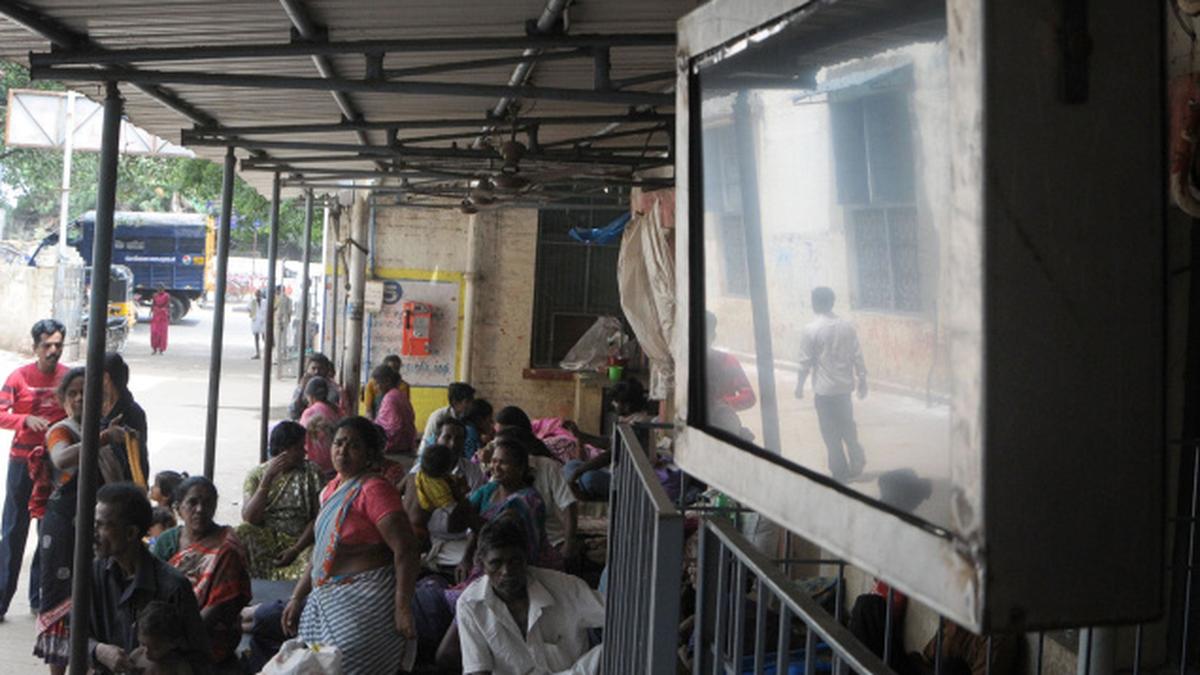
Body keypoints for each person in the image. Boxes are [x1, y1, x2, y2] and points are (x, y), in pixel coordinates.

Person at [281, 416, 421, 674]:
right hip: (328, 597)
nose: (342, 450)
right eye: (338, 443)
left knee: (341, 661)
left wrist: (402, 607)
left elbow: (407, 549)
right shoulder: (332, 488)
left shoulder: (374, 490)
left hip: (367, 598)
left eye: (353, 445)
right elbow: (322, 551)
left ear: (369, 454)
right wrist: (297, 596)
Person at [34, 367, 132, 673]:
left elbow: (117, 483)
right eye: (73, 393)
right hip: (63, 528)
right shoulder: (61, 431)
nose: (79, 399)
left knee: (92, 596)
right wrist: (103, 437)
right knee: (60, 601)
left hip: (95, 527)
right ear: (63, 399)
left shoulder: (99, 431)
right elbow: (61, 459)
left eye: (85, 393)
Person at [457, 517, 605, 675]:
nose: (506, 571)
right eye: (496, 563)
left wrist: (592, 663)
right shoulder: (470, 605)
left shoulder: (566, 589)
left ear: (526, 557)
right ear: (482, 564)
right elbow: (478, 670)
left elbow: (623, 620)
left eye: (514, 561)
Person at [88, 482, 209, 673]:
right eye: (95, 524)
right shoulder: (94, 573)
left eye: (103, 525)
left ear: (130, 533)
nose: (94, 533)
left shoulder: (173, 587)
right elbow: (74, 635)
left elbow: (199, 658)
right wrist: (98, 650)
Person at [0, 318, 67, 618]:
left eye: (58, 345)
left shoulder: (70, 379)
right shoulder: (18, 377)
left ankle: (41, 598)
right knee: (14, 530)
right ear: (35, 347)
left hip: (57, 463)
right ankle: (2, 599)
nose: (53, 351)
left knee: (50, 530)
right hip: (22, 463)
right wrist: (23, 420)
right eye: (47, 345)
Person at [151, 476, 252, 666]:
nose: (200, 509)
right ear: (179, 507)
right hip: (166, 626)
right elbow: (152, 588)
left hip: (211, 634)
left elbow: (218, 608)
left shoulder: (226, 548)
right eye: (193, 502)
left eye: (207, 503)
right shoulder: (166, 541)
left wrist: (178, 641)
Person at [795, 286, 869, 482]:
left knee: (830, 434)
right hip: (844, 390)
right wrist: (862, 379)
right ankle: (856, 456)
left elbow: (805, 363)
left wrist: (799, 387)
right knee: (847, 426)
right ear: (832, 302)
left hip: (824, 392)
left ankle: (840, 473)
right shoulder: (847, 326)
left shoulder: (810, 330)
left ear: (815, 303)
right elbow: (857, 355)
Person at [236, 420, 324, 581]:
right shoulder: (257, 475)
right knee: (241, 533)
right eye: (299, 448)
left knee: (315, 559)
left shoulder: (312, 473)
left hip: (300, 542)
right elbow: (249, 518)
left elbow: (318, 518)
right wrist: (266, 481)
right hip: (266, 540)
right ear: (284, 451)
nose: (304, 452)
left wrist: (296, 549)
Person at [564, 378, 657, 500]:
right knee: (571, 465)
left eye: (616, 401)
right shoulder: (628, 419)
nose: (613, 404)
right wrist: (581, 435)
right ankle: (581, 488)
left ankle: (588, 493)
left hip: (631, 481)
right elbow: (609, 443)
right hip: (615, 472)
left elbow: (610, 454)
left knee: (588, 478)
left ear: (627, 405)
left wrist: (579, 471)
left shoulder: (638, 425)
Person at [101, 352, 150, 487]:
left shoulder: (132, 413)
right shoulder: (98, 408)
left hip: (123, 486)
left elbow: (137, 460)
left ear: (105, 378)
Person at [130, 601, 195, 675]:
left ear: (173, 644)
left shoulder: (177, 665)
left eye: (156, 648)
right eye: (143, 644)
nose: (146, 652)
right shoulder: (136, 656)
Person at [298, 376, 340, 477]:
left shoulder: (309, 413)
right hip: (334, 463)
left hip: (316, 466)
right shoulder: (336, 411)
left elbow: (300, 436)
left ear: (310, 397)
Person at [419, 382, 476, 453]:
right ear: (455, 402)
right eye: (467, 402)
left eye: (472, 401)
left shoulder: (467, 417)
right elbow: (428, 444)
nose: (471, 405)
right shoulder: (438, 417)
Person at [372, 364, 417, 456]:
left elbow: (394, 427)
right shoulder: (400, 395)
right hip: (408, 443)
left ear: (387, 381)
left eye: (377, 383)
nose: (375, 388)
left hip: (395, 445)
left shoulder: (389, 398)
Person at [288, 353, 348, 420]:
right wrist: (301, 388)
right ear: (307, 369)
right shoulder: (302, 387)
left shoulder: (334, 389)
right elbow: (292, 413)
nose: (317, 372)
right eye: (313, 368)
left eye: (321, 368)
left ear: (327, 370)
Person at [361, 354, 404, 418]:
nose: (394, 371)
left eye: (397, 368)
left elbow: (402, 410)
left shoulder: (403, 386)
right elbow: (368, 408)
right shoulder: (372, 383)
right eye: (391, 368)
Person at [274, 285, 292, 366]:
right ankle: (284, 356)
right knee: (284, 340)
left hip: (279, 322)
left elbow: (278, 312)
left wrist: (279, 322)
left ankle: (278, 358)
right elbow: (289, 312)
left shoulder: (279, 299)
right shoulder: (288, 299)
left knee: (278, 341)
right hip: (285, 322)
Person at [150, 284, 171, 355]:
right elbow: (153, 304)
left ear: (164, 289)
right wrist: (151, 311)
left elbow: (168, 305)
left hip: (163, 315)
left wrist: (169, 315)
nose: (160, 290)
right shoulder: (154, 295)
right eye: (158, 289)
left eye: (161, 289)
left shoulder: (167, 296)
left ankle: (161, 350)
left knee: (162, 333)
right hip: (156, 315)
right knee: (154, 332)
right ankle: (154, 349)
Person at [249, 289, 266, 360]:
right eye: (257, 294)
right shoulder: (253, 302)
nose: (258, 296)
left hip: (263, 321)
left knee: (264, 337)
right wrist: (253, 315)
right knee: (256, 338)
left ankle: (265, 352)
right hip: (255, 321)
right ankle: (257, 353)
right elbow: (249, 309)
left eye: (259, 294)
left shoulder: (265, 302)